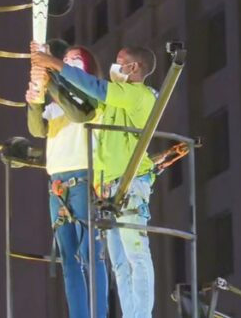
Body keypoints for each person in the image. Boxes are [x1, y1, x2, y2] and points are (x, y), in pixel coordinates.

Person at [32, 44, 158, 318]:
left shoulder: (137, 95)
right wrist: (44, 74)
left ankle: (141, 316)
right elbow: (78, 100)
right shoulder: (114, 100)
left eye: (120, 61)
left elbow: (95, 89)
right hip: (109, 186)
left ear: (134, 68)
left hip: (132, 181)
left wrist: (53, 64)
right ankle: (130, 314)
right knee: (119, 261)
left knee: (136, 254)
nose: (115, 66)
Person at [27, 44, 109, 318]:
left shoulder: (93, 97)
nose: (68, 62)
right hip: (58, 185)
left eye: (75, 60)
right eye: (65, 60)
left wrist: (50, 80)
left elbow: (79, 113)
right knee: (69, 259)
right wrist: (35, 100)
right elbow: (37, 128)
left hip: (85, 179)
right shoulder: (56, 106)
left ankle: (98, 313)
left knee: (91, 254)